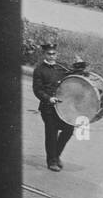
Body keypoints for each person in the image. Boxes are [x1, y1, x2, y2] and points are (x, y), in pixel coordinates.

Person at [32, 41, 77, 172]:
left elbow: (74, 76)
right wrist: (48, 98)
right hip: (48, 108)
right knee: (51, 135)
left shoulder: (60, 68)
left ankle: (56, 155)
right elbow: (37, 90)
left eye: (54, 54)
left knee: (69, 129)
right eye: (49, 54)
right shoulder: (39, 70)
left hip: (62, 108)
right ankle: (51, 161)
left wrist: (80, 65)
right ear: (44, 54)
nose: (52, 56)